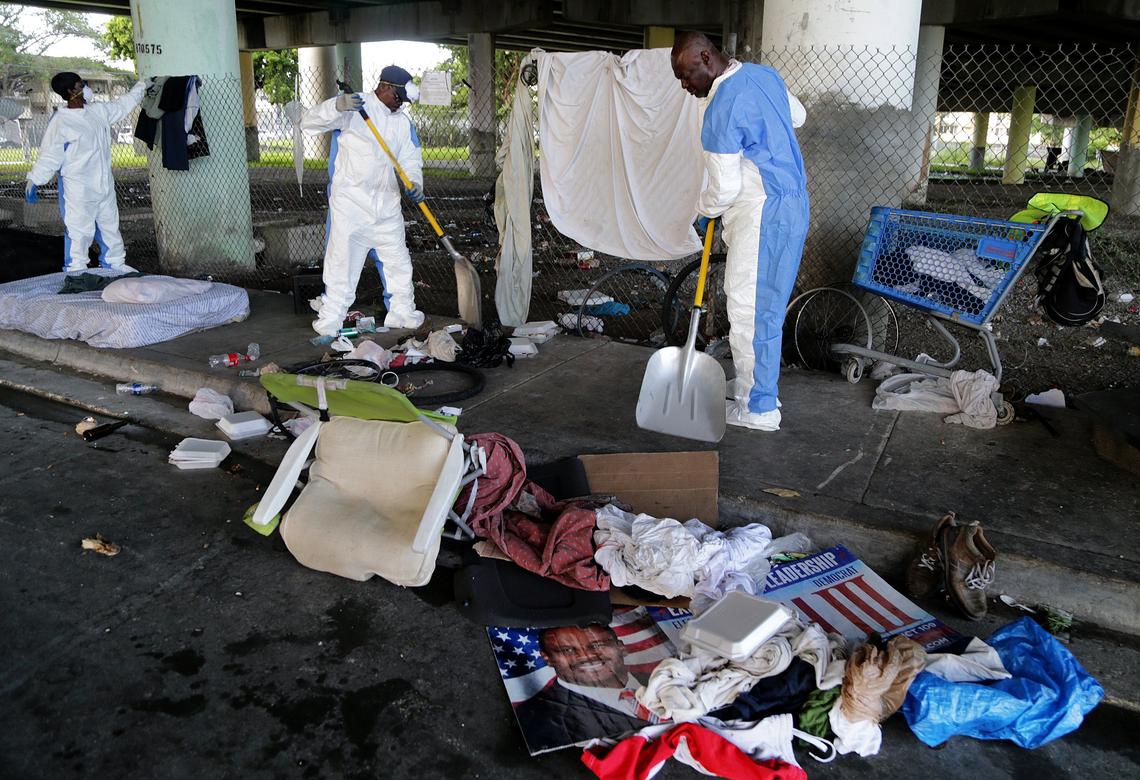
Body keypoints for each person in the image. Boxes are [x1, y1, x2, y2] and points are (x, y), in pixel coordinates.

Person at [671, 32, 809, 432]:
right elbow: (796, 116)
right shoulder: (764, 76)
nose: (685, 85)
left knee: (748, 306)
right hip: (792, 202)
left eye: (686, 75)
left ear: (705, 57)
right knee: (764, 303)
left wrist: (703, 211)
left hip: (761, 214)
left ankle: (759, 407)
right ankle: (756, 385)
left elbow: (723, 189)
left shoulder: (720, 111)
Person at [302, 65, 426, 336]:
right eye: (398, 97)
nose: (400, 104)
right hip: (351, 207)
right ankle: (331, 319)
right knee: (341, 266)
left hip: (387, 207)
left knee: (398, 263)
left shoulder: (403, 123)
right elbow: (309, 123)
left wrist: (415, 183)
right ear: (384, 87)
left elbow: (411, 158)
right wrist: (337, 106)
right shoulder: (354, 107)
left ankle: (402, 312)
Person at [26, 72, 148, 273]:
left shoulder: (97, 111)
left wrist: (142, 86)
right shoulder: (61, 121)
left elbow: (121, 106)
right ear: (70, 91)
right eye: (80, 85)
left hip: (104, 184)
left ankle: (115, 263)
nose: (85, 88)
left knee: (110, 225)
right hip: (79, 187)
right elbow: (49, 153)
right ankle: (76, 269)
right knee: (79, 230)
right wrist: (35, 179)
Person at [513, 624, 654, 752]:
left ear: (621, 647)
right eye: (567, 650)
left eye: (598, 644)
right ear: (547, 659)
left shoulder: (663, 675)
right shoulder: (536, 720)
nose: (586, 656)